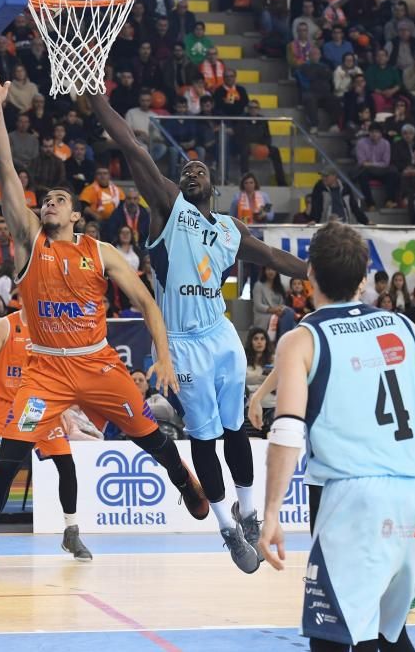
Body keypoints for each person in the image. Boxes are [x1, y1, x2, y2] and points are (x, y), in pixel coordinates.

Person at [0, 62, 208, 603]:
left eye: (59, 200)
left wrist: (161, 354)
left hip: (99, 364)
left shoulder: (101, 252)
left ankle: (185, 482)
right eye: (46, 200)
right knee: (8, 456)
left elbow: (146, 303)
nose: (49, 202)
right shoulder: (28, 243)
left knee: (149, 438)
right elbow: (5, 170)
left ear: (77, 216)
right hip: (44, 373)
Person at [88, 89, 306, 575]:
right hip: (183, 344)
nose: (191, 171)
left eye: (200, 169)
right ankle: (227, 526)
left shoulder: (231, 230)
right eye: (185, 168)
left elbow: (276, 259)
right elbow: (135, 148)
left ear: (216, 186)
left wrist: (321, 271)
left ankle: (249, 513)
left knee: (237, 432)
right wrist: (97, 102)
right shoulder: (169, 210)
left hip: (222, 336)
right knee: (204, 441)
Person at [259, 221, 415, 651]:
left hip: (358, 497)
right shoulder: (406, 328)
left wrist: (271, 513)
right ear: (362, 278)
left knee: (333, 639)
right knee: (389, 633)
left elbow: (286, 431)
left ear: (309, 273)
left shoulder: (303, 339)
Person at [0, 307, 92, 565]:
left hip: (39, 408)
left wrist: (63, 407)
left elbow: (58, 373)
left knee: (66, 464)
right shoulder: (7, 325)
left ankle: (71, 532)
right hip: (5, 408)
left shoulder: (51, 327)